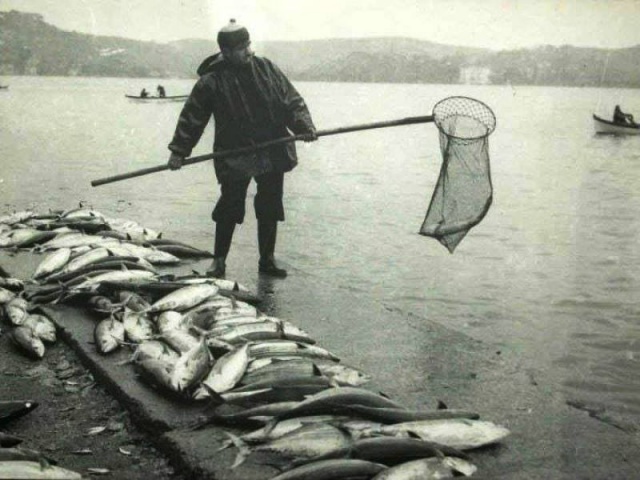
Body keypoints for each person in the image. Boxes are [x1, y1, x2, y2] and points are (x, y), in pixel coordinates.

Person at [167, 19, 317, 279]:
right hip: (234, 152)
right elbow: (192, 117)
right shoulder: (211, 81)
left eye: (249, 45)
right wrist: (179, 151)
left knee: (270, 202)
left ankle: (267, 260)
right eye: (241, 49)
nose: (248, 52)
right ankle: (219, 261)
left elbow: (291, 100)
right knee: (230, 204)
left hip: (272, 148)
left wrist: (304, 125)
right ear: (225, 53)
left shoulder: (266, 68)